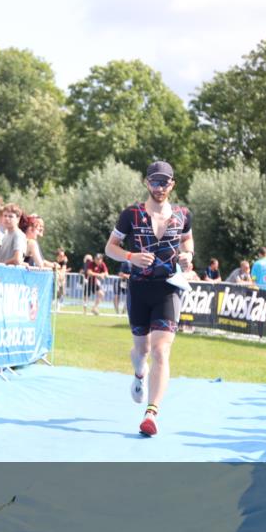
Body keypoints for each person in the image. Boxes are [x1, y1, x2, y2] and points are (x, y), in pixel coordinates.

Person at [105, 160, 194, 437]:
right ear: (147, 183)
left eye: (164, 182)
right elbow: (111, 248)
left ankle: (151, 414)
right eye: (154, 181)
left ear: (172, 185)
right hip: (139, 289)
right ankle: (139, 373)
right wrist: (131, 257)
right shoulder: (130, 215)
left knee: (160, 350)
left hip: (168, 288)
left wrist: (188, 256)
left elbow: (188, 242)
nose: (159, 187)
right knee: (142, 351)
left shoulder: (182, 214)